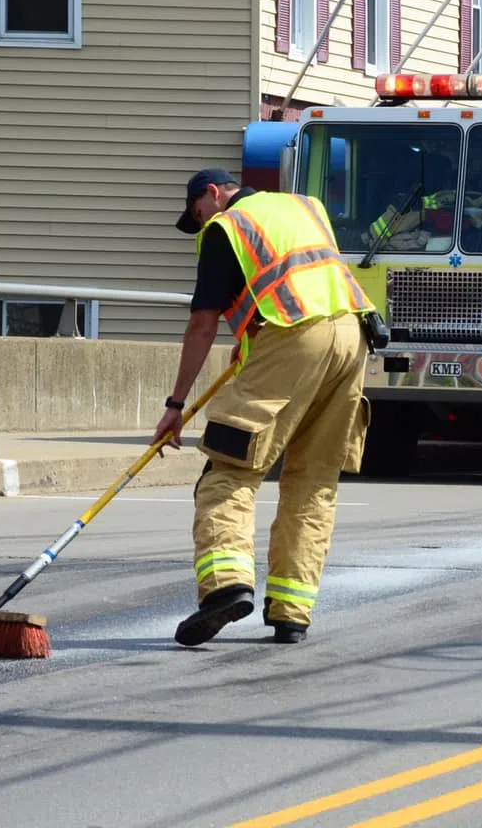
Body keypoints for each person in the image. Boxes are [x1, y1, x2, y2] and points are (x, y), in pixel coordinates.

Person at [160, 167, 375, 646]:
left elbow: (201, 325)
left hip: (295, 337)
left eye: (198, 214)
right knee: (313, 484)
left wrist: (176, 404)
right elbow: (301, 283)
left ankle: (225, 586)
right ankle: (291, 613)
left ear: (213, 196)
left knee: (229, 471)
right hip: (352, 339)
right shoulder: (304, 207)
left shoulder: (227, 228)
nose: (199, 225)